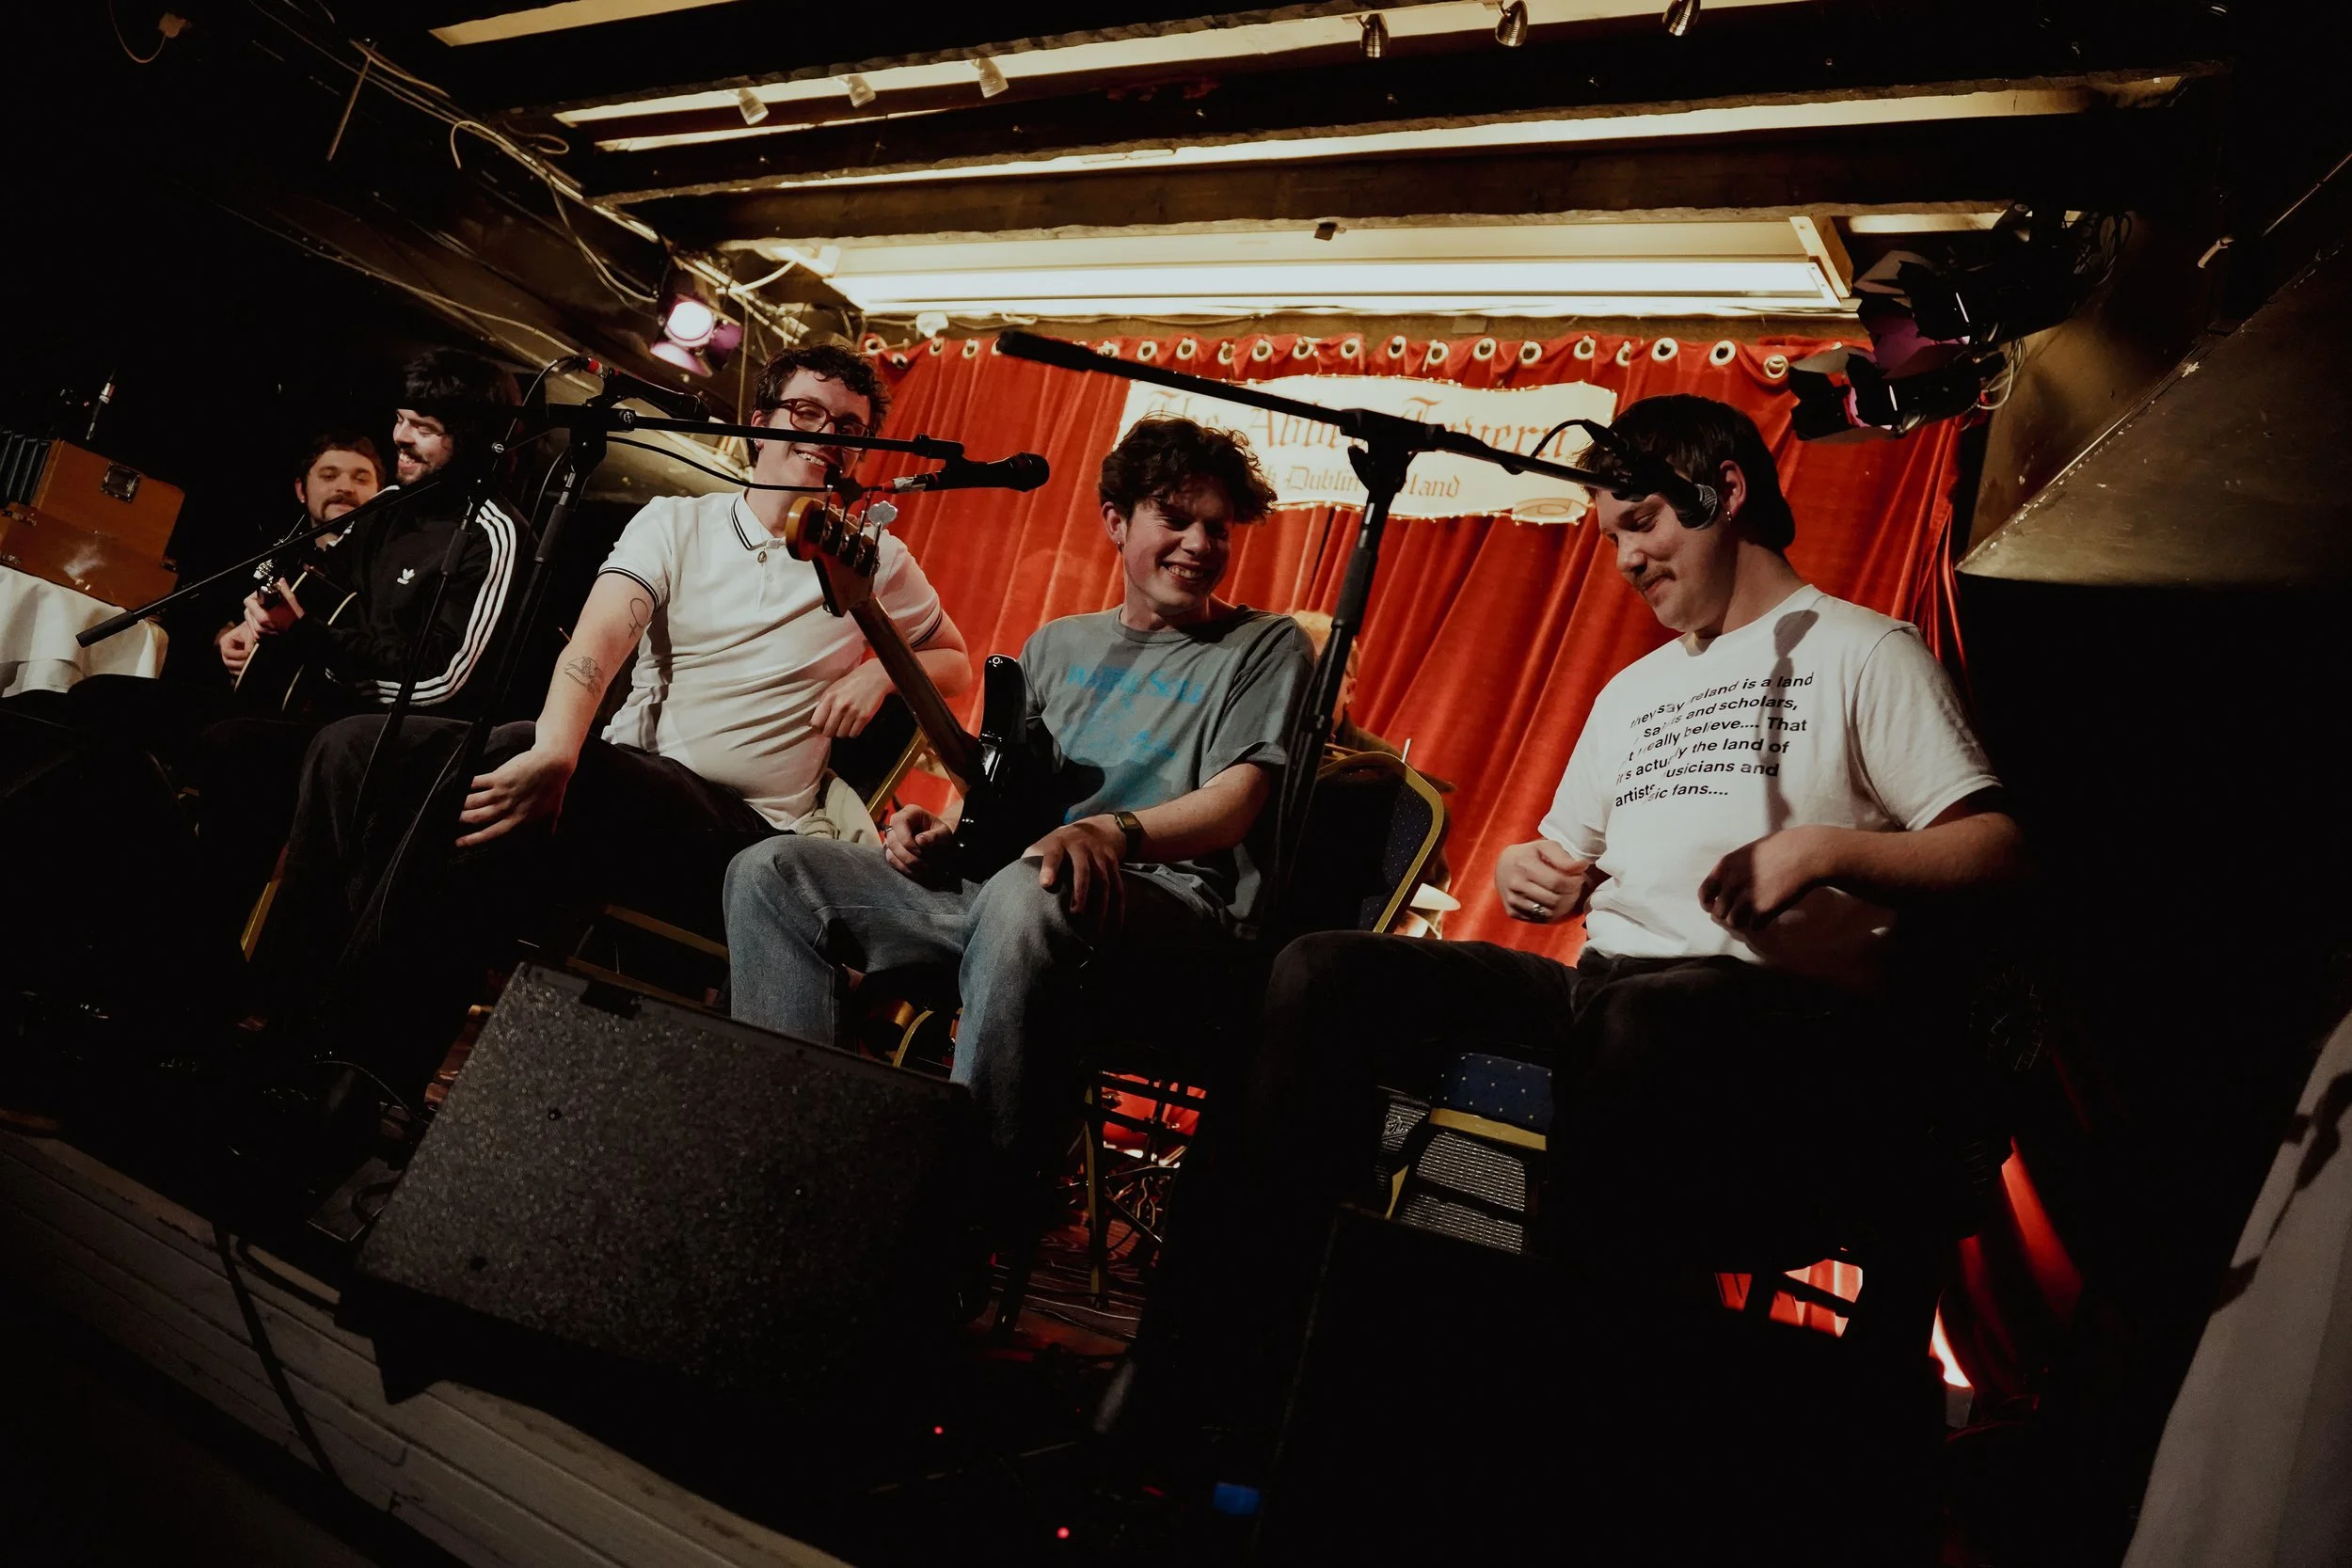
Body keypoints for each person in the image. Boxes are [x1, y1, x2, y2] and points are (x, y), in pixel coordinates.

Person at [1129, 392, 2029, 1447]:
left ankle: (1554, 1421)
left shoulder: (1864, 653)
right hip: (1607, 988)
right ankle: (1226, 1364)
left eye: (1641, 522)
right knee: (1320, 972)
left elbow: (1997, 850)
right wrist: (1530, 868)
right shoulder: (1631, 692)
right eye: (1609, 539)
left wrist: (1825, 848)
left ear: (1726, 491)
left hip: (1779, 1019)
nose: (1627, 560)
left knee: (1644, 1025)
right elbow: (1559, 853)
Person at [258, 342, 971, 1097]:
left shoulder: (875, 558)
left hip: (740, 831)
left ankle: (346, 1072)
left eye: (848, 427)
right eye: (806, 412)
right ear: (759, 425)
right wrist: (557, 751)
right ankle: (291, 1029)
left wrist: (877, 673)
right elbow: (597, 644)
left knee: (508, 774)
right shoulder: (677, 521)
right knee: (354, 748)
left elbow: (953, 656)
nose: (825, 435)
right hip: (623, 787)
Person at [723, 414, 1314, 1240]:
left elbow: (1238, 800)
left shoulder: (1265, 643)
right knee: (774, 872)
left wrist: (1113, 833)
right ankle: (803, 1164)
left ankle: (959, 1222)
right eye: (1174, 519)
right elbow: (994, 808)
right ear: (1115, 521)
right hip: (1014, 895)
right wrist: (938, 835)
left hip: (1165, 915)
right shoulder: (1056, 646)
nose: (1200, 544)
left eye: (1218, 526)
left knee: (1022, 896)